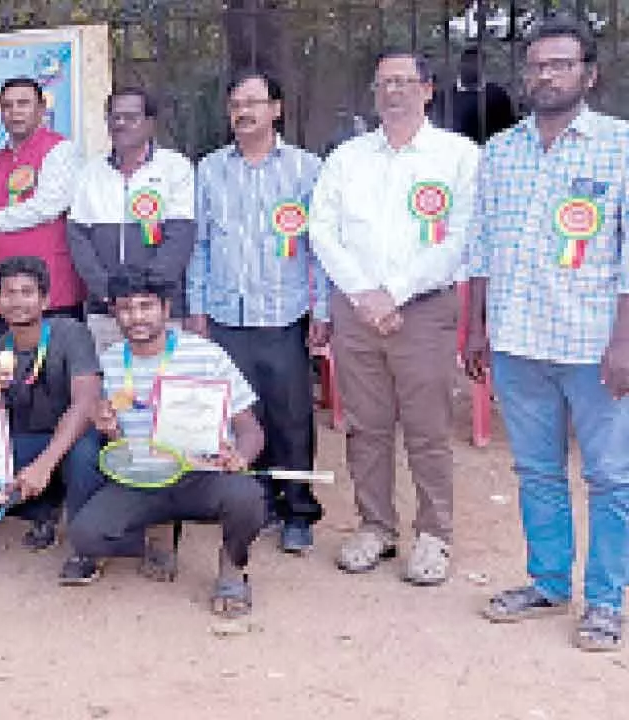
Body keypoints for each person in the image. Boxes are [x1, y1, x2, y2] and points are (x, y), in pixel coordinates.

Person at [465, 17, 629, 652]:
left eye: (560, 64)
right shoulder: (501, 151)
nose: (545, 75)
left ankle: (607, 601)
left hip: (593, 346)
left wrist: (623, 342)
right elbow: (481, 247)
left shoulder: (619, 146)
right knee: (537, 470)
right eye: (536, 65)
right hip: (517, 341)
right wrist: (477, 326)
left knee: (613, 477)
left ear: (589, 74)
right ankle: (549, 582)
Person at [309, 50, 479, 585]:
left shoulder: (458, 156)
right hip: (357, 310)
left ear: (428, 90)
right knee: (366, 427)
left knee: (427, 429)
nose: (394, 92)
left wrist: (395, 292)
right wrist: (363, 293)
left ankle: (434, 534)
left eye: (405, 82)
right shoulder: (348, 158)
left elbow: (461, 237)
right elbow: (322, 229)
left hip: (423, 310)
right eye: (384, 83)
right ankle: (375, 526)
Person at [66, 267, 266, 616]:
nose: (137, 317)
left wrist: (241, 458)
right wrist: (107, 428)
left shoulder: (206, 355)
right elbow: (115, 441)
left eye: (146, 306)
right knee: (85, 536)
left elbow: (251, 431)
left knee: (247, 498)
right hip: (140, 478)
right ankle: (156, 532)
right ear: (114, 312)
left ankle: (232, 568)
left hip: (201, 476)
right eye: (126, 308)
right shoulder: (110, 362)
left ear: (166, 308)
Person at [186, 70, 328, 553]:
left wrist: (322, 310)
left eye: (253, 102)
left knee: (291, 416)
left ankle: (298, 509)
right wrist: (197, 307)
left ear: (276, 109)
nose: (243, 112)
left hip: (283, 313)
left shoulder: (307, 169)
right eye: (234, 105)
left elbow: (318, 248)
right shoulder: (209, 170)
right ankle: (258, 499)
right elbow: (199, 246)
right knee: (241, 414)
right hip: (226, 314)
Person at [0, 256, 105, 578]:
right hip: (31, 440)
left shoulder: (71, 333)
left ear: (45, 299)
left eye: (27, 292)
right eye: (8, 293)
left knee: (83, 452)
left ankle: (86, 544)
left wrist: (45, 464)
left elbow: (86, 403)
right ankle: (45, 510)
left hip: (76, 438)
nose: (17, 301)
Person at [0, 77, 85, 338]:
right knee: (5, 375)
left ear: (41, 109)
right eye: (7, 106)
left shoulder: (61, 150)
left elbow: (49, 204)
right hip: (4, 300)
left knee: (56, 374)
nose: (15, 111)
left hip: (52, 296)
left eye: (23, 103)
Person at [68, 87, 196, 351]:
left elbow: (180, 238)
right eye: (114, 117)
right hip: (105, 310)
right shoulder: (90, 173)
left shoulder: (175, 168)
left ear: (150, 123)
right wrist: (108, 292)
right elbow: (78, 240)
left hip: (159, 308)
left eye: (131, 117)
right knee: (111, 385)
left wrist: (147, 295)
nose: (121, 124)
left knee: (162, 386)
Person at [432, 46, 518, 144]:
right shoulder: (445, 97)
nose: (472, 67)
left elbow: (509, 130)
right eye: (468, 62)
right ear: (460, 65)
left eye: (477, 63)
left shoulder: (497, 96)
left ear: (483, 66)